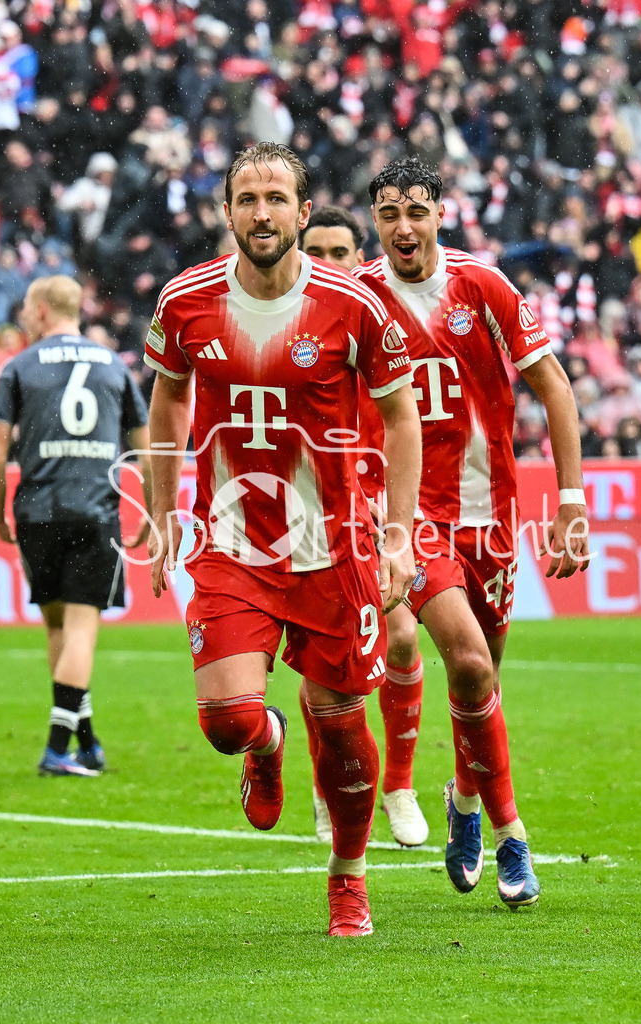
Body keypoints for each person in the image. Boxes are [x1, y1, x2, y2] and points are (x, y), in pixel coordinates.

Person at [145, 142, 421, 937]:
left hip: (334, 553)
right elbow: (167, 400)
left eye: (276, 199)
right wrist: (164, 506)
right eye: (246, 198)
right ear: (226, 211)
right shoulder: (184, 301)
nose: (260, 213)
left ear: (304, 212)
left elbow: (400, 418)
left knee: (342, 730)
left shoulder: (355, 305)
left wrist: (397, 536)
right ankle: (267, 743)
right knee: (229, 720)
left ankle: (348, 877)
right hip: (232, 546)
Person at [360, 157, 590, 908]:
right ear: (376, 221)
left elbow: (554, 387)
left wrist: (572, 500)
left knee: (480, 675)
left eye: (416, 210)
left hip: (492, 515)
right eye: (390, 212)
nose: (403, 226)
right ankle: (513, 836)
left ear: (439, 215)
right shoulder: (359, 296)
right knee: (469, 661)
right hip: (411, 519)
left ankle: (462, 800)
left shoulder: (483, 286)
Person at [300, 204, 428, 847]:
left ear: (360, 259)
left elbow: (406, 424)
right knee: (320, 660)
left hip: (379, 506)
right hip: (307, 509)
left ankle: (399, 785)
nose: (327, 264)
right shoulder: (287, 330)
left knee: (402, 637)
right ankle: (326, 790)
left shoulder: (376, 323)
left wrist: (396, 515)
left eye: (339, 252)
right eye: (314, 252)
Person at [0, 275, 152, 777]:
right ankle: (60, 747)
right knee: (82, 627)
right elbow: (145, 453)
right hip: (95, 510)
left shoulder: (18, 367)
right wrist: (146, 512)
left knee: (56, 625)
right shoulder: (113, 367)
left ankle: (85, 738)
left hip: (37, 509)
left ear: (39, 310)